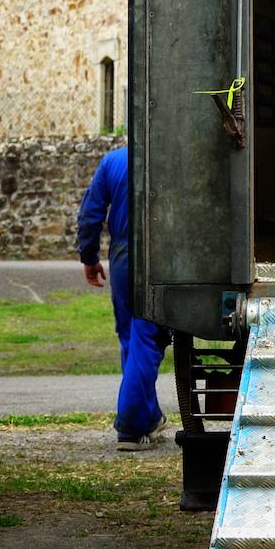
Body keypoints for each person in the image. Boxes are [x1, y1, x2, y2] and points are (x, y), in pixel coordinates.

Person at [77, 146, 171, 451]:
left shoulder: (113, 160)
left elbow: (91, 213)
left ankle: (150, 417)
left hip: (121, 257)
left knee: (131, 338)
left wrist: (89, 257)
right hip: (158, 254)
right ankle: (131, 427)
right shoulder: (167, 155)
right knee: (147, 338)